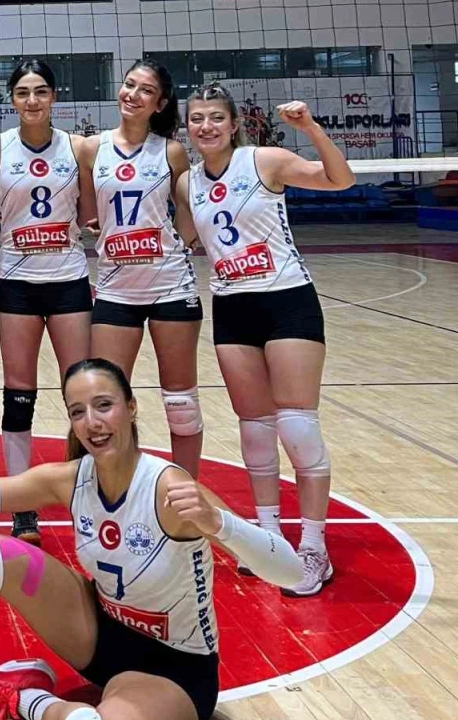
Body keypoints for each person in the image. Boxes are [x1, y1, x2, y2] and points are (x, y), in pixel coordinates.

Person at [0, 358, 305, 720]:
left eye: (104, 405)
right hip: (97, 633)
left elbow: (292, 571)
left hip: (176, 668)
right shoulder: (71, 478)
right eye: (78, 411)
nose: (92, 423)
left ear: (131, 408)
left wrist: (220, 524)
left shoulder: (169, 488)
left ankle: (22, 698)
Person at [176, 84, 354, 596]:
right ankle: (270, 538)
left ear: (233, 124)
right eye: (196, 118)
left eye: (216, 117)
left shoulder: (265, 161)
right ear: (187, 128)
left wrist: (310, 129)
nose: (206, 126)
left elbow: (339, 179)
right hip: (232, 307)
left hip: (286, 300)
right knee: (255, 430)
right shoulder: (188, 182)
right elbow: (186, 238)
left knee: (297, 427)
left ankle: (314, 547)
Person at [0, 60, 96, 545]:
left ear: (54, 96)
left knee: (82, 390)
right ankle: (22, 505)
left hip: (69, 278)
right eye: (22, 92)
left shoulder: (77, 148)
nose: (32, 101)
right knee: (19, 391)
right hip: (17, 280)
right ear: (12, 99)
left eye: (40, 92)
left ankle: (89, 496)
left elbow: (88, 210)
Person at [82, 60, 204, 479]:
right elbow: (87, 212)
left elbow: (188, 212)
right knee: (104, 397)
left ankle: (184, 490)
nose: (133, 94)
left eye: (146, 90)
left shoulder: (170, 151)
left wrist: (181, 243)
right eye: (129, 84)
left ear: (160, 103)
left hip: (170, 285)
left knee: (181, 401)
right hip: (116, 288)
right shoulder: (92, 148)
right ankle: (116, 484)